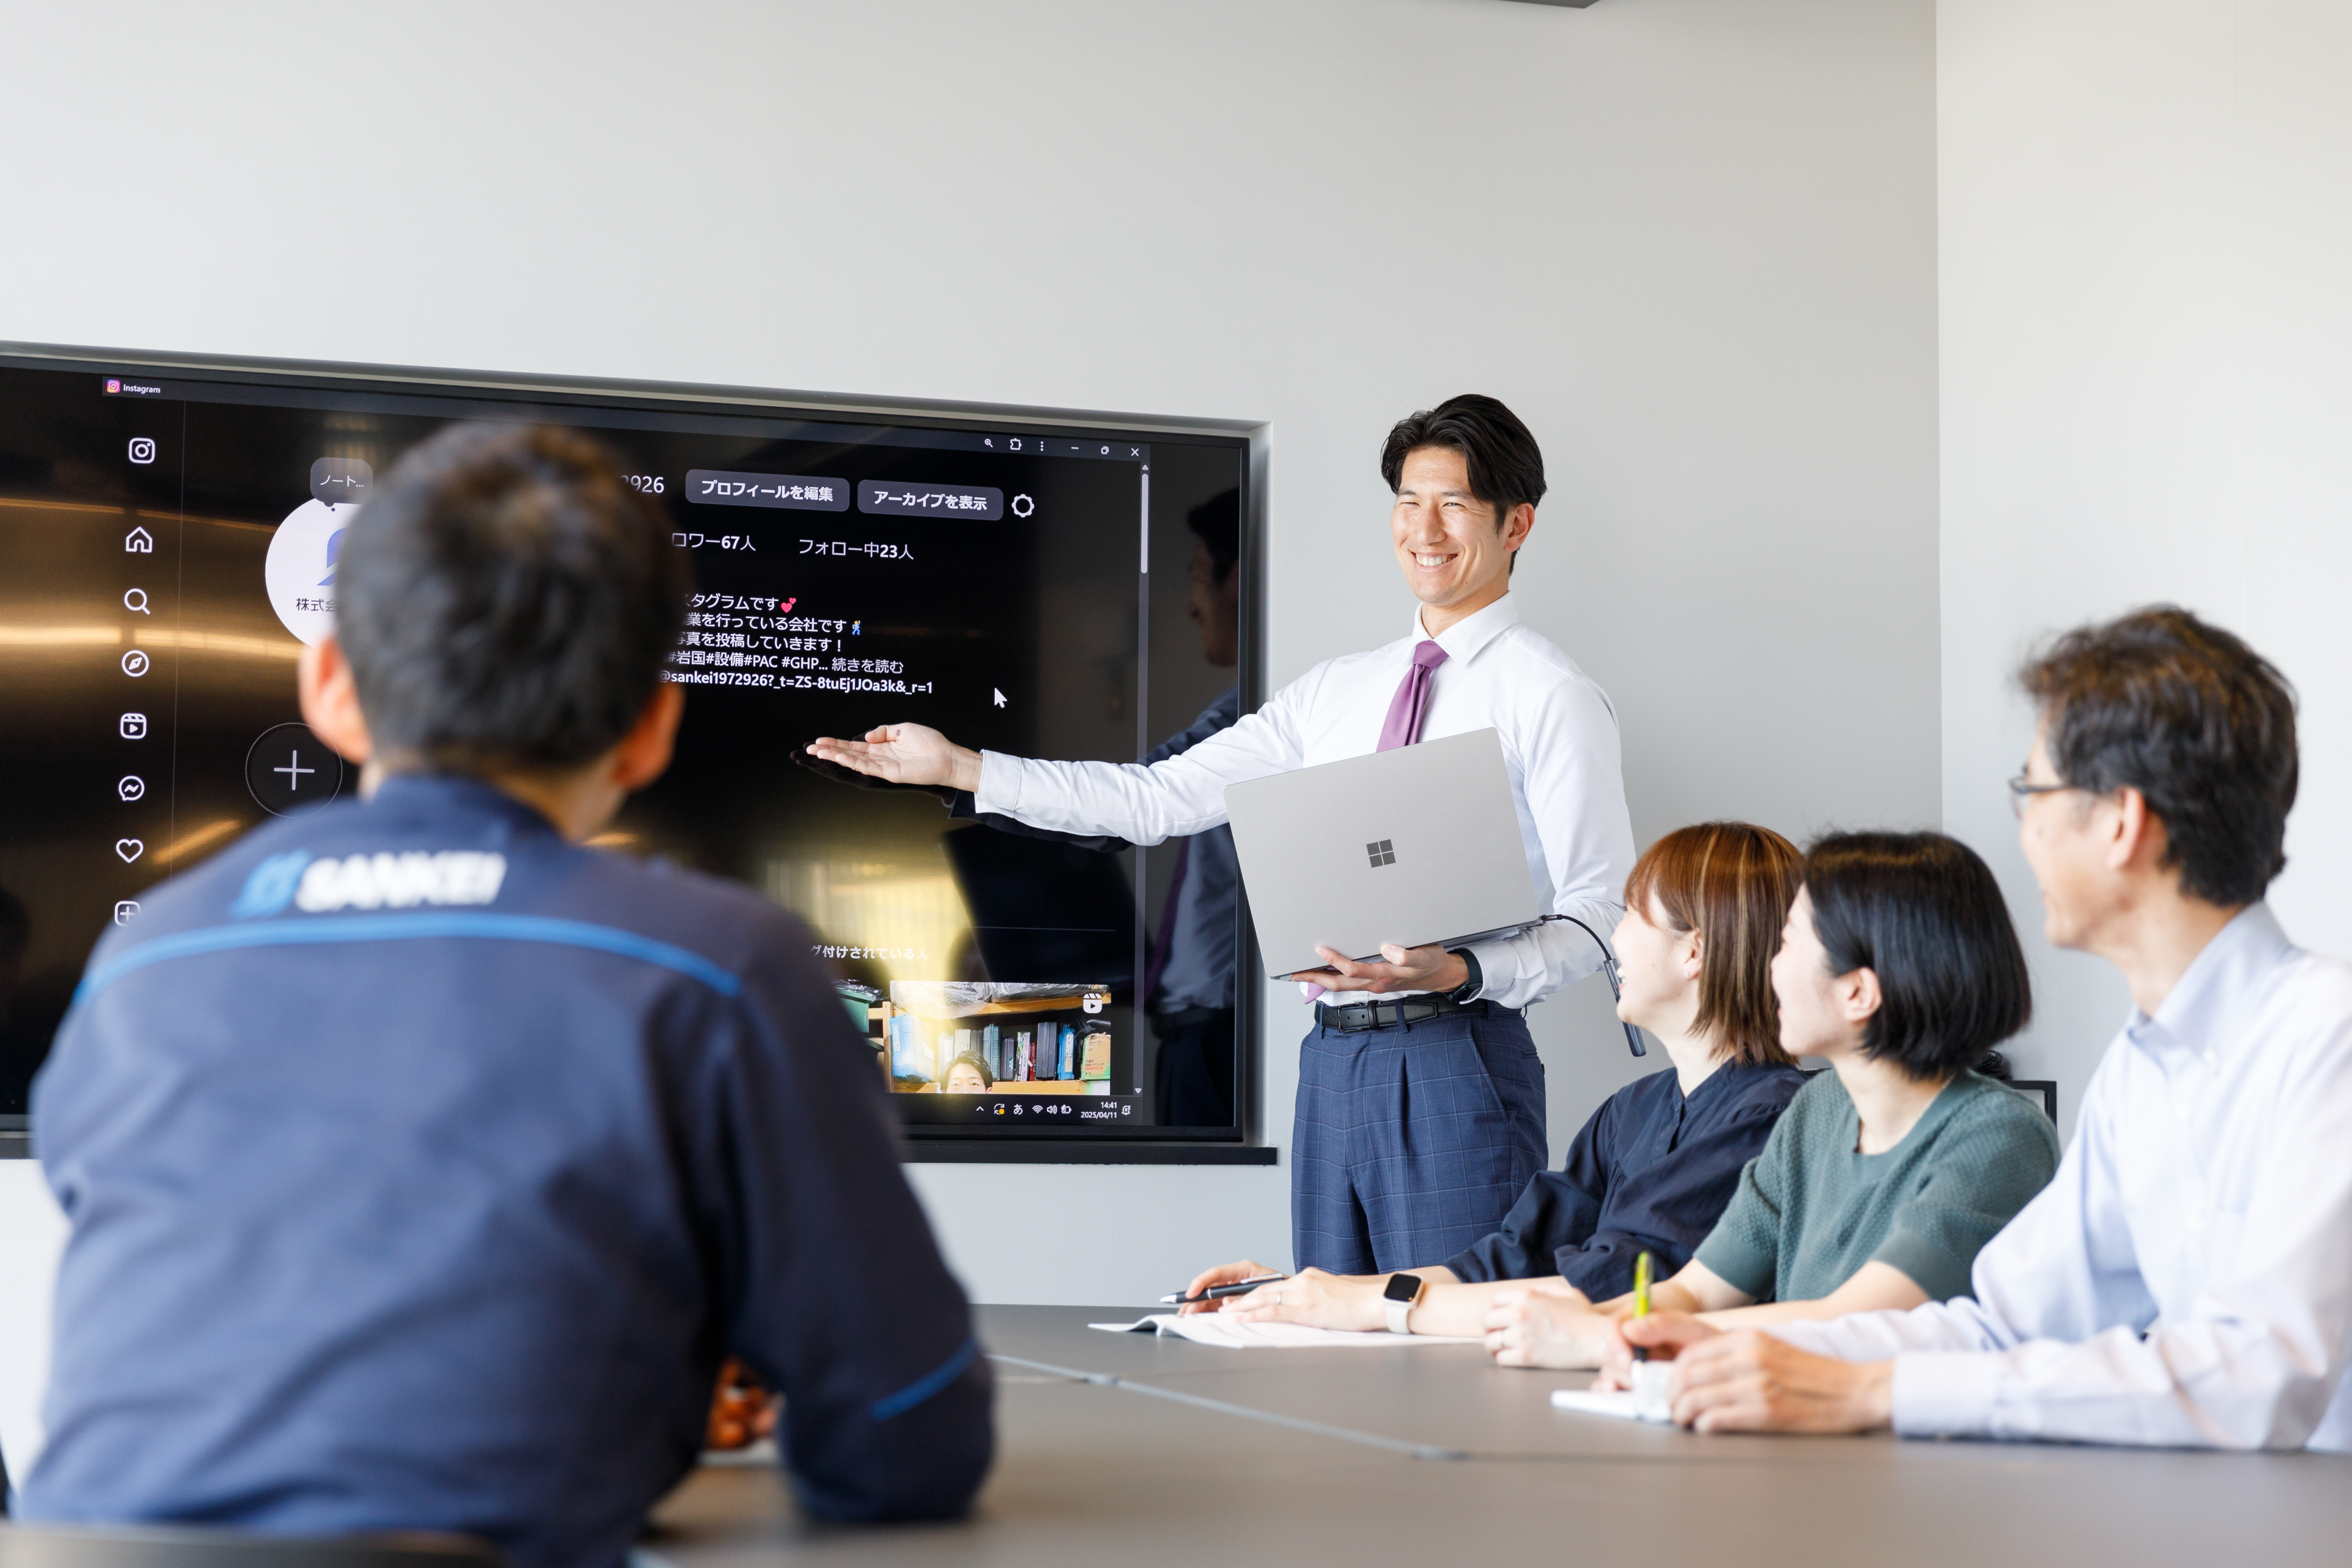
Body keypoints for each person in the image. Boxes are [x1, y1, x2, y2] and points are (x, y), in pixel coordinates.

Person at [17, 424, 993, 1565]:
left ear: (329, 685)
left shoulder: (146, 956)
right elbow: (905, 1438)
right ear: (652, 724)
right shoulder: (719, 966)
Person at [811, 396, 1637, 1273]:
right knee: (1327, 1332)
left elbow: (1603, 914)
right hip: (1332, 1063)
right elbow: (1154, 799)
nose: (1424, 529)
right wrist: (963, 766)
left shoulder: (1552, 695)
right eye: (1408, 501)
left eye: (1455, 504)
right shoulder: (1333, 692)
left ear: (1516, 524)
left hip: (1456, 1053)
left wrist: (1464, 969)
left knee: (1453, 1334)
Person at [1621, 608, 2352, 1450]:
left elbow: (2259, 1377)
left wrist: (1875, 1391)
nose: (2024, 830)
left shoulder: (2325, 1035)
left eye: (2032, 792)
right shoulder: (2140, 1067)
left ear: (2121, 822)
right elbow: (2003, 1321)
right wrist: (1719, 1348)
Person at [1179, 821, 1808, 1334]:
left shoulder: (1771, 1119)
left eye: (1632, 916)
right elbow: (1512, 1257)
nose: (1614, 938)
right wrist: (1304, 1292)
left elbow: (1608, 1290)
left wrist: (1368, 1304)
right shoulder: (1631, 1112)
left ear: (1693, 950)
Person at [1482, 831, 2060, 1369]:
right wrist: (1582, 1323)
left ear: (1858, 992)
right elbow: (1695, 1292)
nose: (1768, 966)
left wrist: (1602, 1338)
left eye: (1787, 943)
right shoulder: (1817, 1111)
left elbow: (1854, 1321)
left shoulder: (1999, 1135)